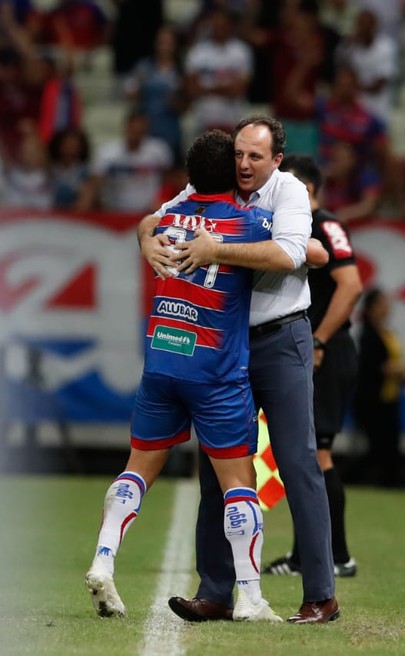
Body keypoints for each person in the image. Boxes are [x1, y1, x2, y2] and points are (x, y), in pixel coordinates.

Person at [136, 115, 339, 625]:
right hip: (224, 345)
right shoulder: (212, 186)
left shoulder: (288, 190)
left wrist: (215, 248)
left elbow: (291, 252)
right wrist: (146, 240)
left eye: (255, 156)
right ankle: (216, 591)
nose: (244, 165)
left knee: (296, 463)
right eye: (239, 155)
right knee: (218, 467)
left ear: (276, 160)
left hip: (280, 340)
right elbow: (153, 219)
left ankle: (321, 594)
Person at [84, 130, 280, 622]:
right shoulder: (249, 223)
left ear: (188, 176)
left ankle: (103, 559)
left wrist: (146, 235)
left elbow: (147, 221)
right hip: (214, 370)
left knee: (136, 470)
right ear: (233, 172)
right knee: (239, 482)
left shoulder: (166, 222)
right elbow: (292, 253)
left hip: (162, 361)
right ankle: (252, 598)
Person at [263, 154, 363, 579]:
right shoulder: (300, 228)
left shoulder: (324, 225)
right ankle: (309, 555)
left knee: (316, 454)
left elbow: (351, 284)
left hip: (326, 349)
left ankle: (334, 556)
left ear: (306, 190)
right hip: (314, 348)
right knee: (303, 454)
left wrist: (320, 338)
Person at [352, 287, 405, 487]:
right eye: (382, 303)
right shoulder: (367, 335)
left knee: (391, 445)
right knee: (377, 446)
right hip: (372, 399)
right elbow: (367, 366)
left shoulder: (387, 333)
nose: (387, 307)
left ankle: (391, 483)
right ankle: (351, 478)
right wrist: (387, 369)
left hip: (390, 397)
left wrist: (403, 373)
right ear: (371, 308)